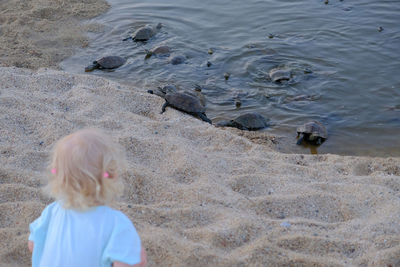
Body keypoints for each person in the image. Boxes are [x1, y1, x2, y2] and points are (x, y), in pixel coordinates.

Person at [28, 128, 147, 267]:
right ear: (112, 175)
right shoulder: (117, 223)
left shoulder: (51, 211)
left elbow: (33, 244)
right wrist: (138, 262)